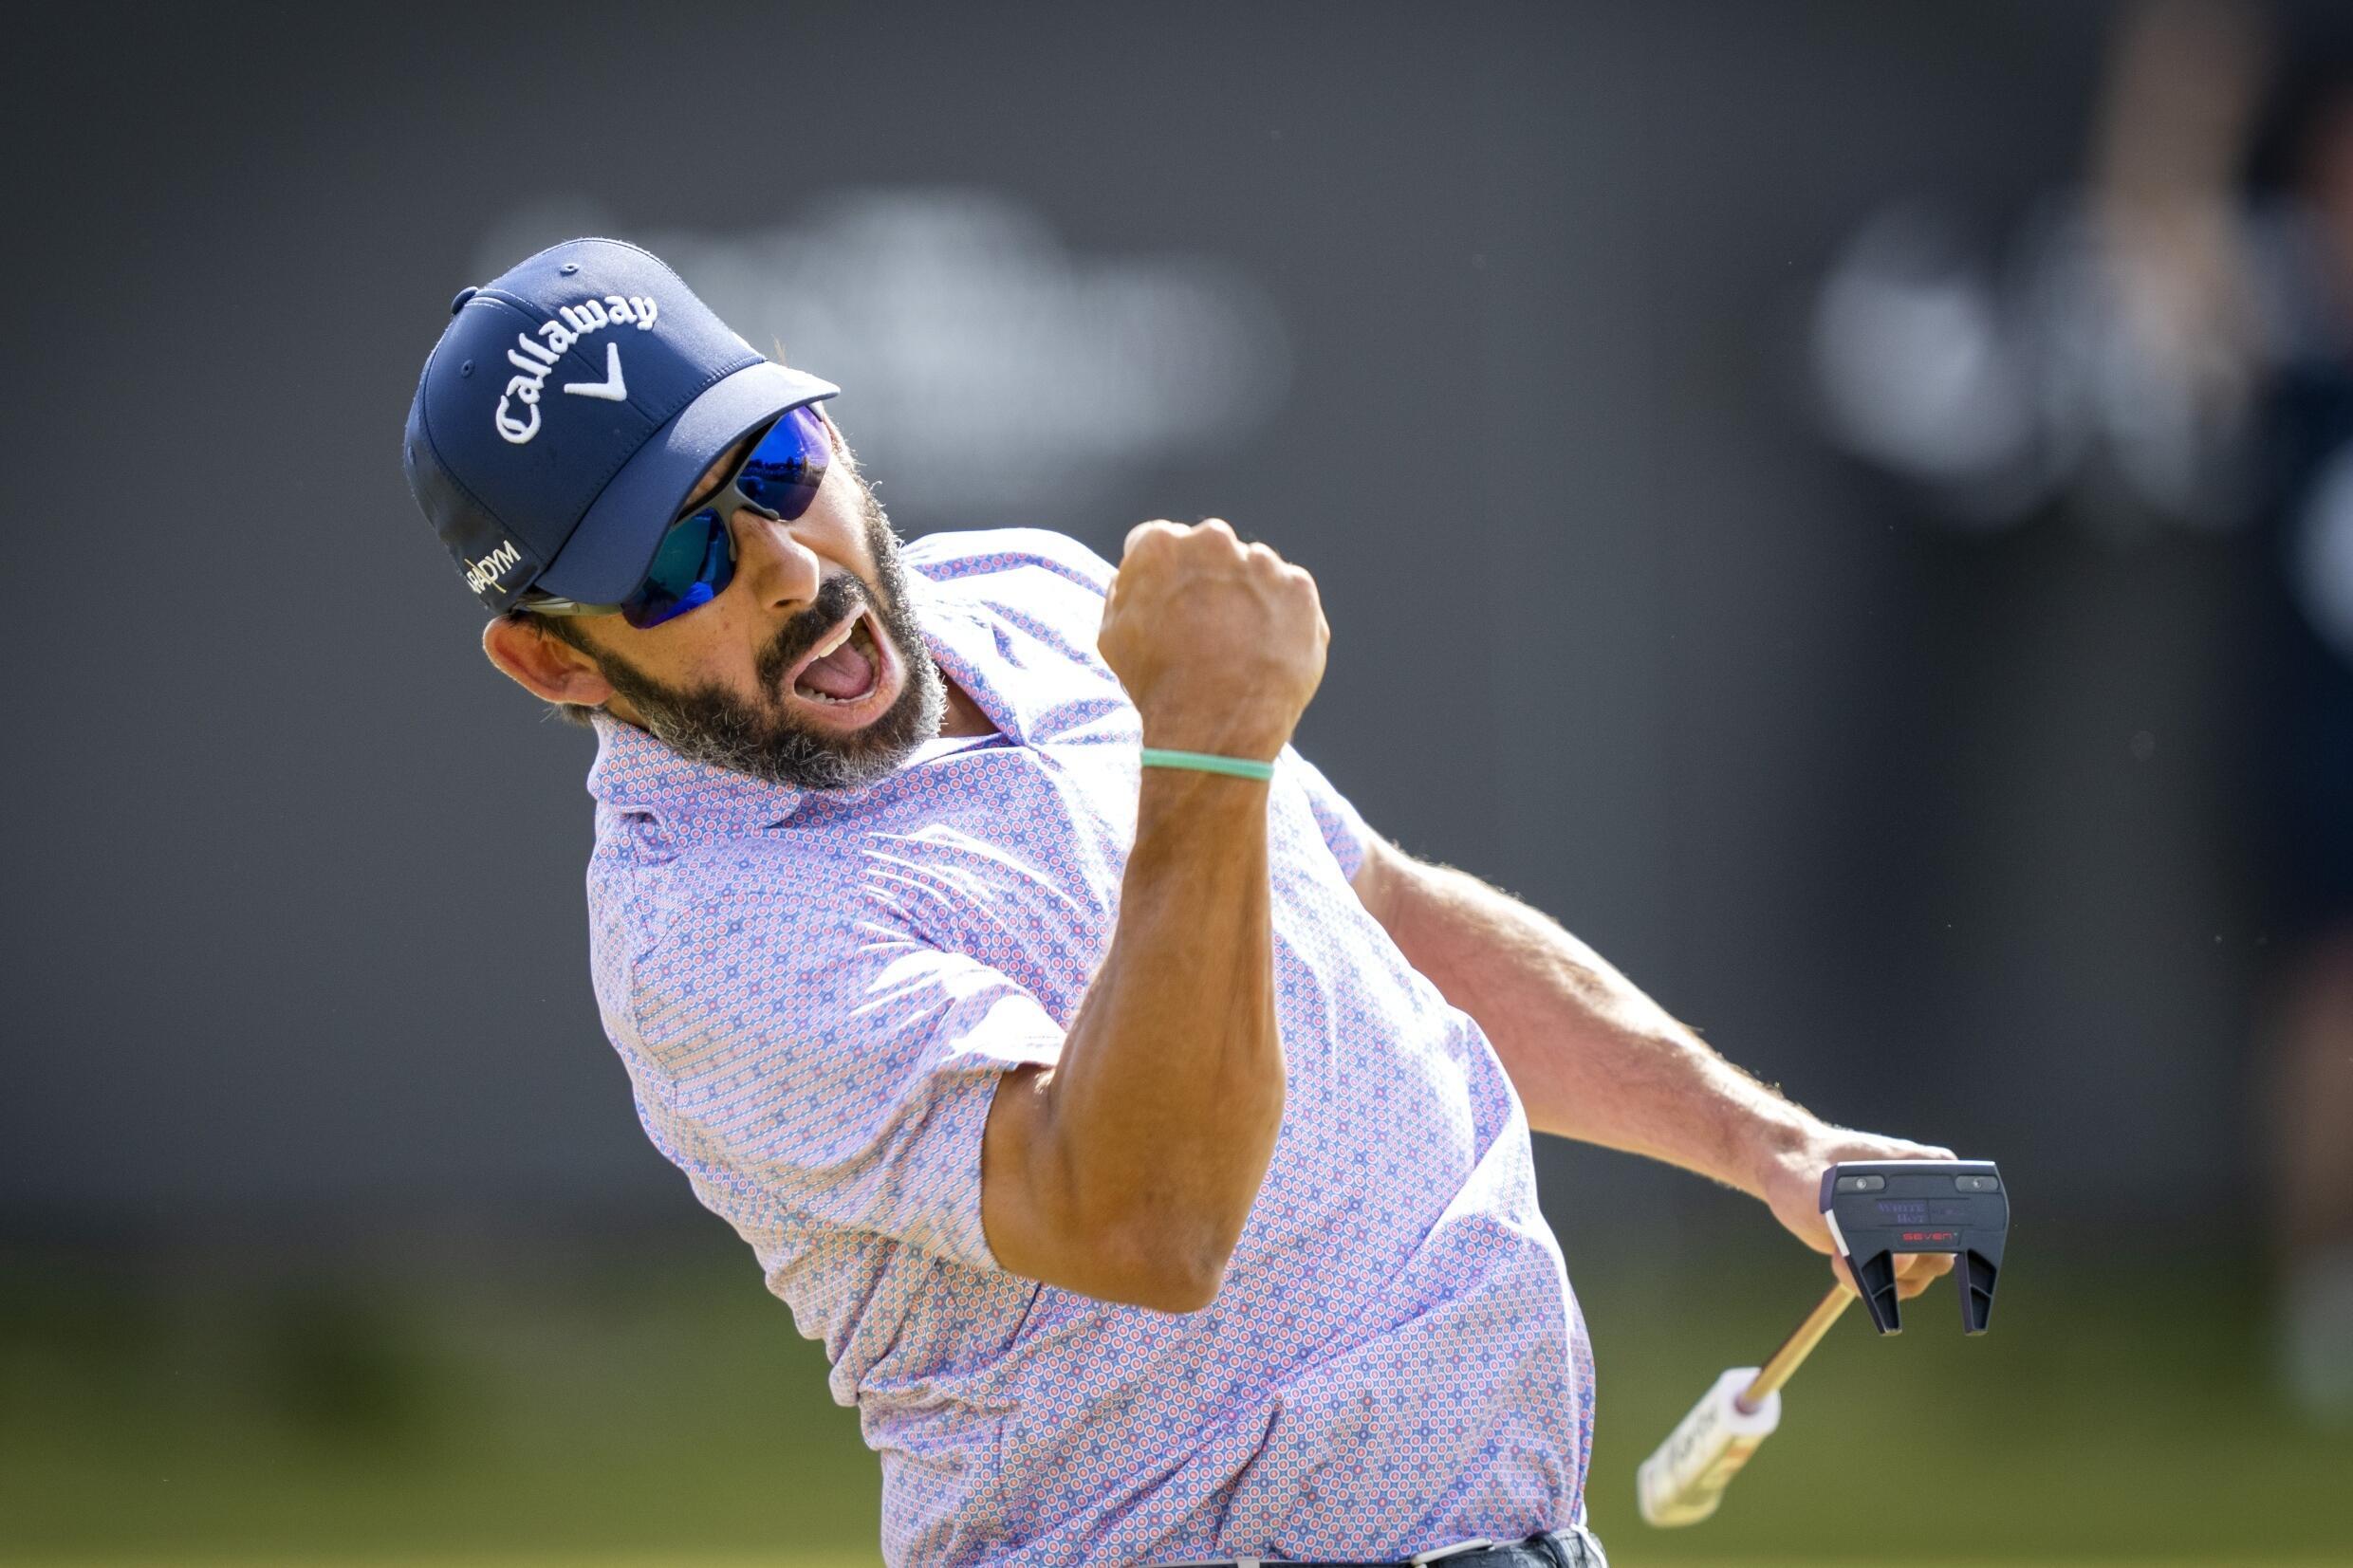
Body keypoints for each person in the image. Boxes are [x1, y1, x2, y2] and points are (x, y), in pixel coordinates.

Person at [402, 237, 1957, 1567]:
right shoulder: (705, 931)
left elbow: (1382, 918)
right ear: (552, 657)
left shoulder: (1022, 586)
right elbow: (1144, 1217)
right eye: (675, 559)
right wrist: (1207, 752)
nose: (786, 568)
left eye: (779, 471)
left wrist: (1772, 1146)